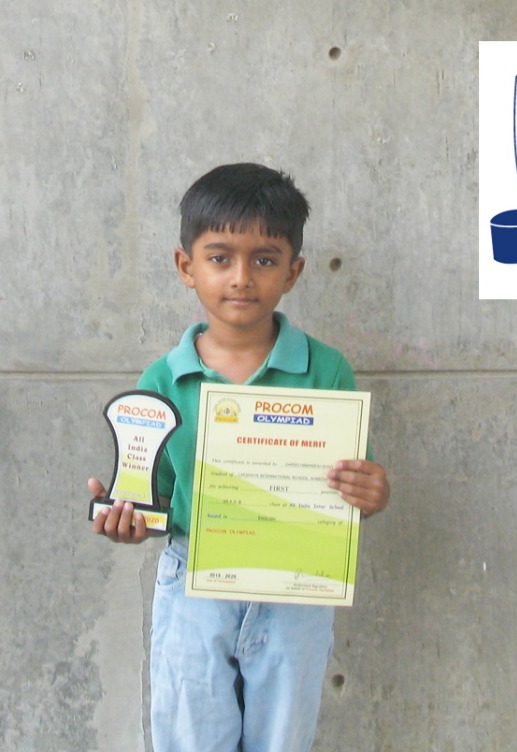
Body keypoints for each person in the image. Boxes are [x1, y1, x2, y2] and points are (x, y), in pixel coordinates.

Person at [89, 162, 390, 752]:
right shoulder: (161, 381)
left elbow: (354, 484)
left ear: (293, 271)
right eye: (220, 258)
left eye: (265, 260)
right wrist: (126, 517)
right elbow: (152, 496)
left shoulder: (326, 370)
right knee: (191, 735)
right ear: (187, 267)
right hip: (194, 582)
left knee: (283, 738)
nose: (242, 278)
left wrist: (374, 493)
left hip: (296, 587)